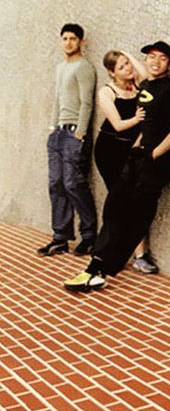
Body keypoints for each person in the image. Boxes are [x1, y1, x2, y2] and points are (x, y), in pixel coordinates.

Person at [63, 41, 170, 292]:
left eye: (162, 58)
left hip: (157, 162)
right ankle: (96, 266)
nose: (155, 62)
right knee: (114, 207)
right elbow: (144, 88)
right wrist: (137, 148)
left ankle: (101, 270)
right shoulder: (145, 87)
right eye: (151, 57)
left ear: (169, 63)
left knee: (136, 216)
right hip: (136, 158)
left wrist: (153, 153)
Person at [94, 50, 159, 274]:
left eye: (128, 64)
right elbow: (118, 125)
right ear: (111, 73)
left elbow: (147, 76)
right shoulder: (107, 92)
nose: (128, 68)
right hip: (109, 151)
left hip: (131, 151)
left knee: (133, 202)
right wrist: (137, 119)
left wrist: (127, 54)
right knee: (119, 202)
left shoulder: (137, 86)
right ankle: (115, 253)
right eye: (121, 67)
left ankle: (135, 254)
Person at [38, 23, 98, 257]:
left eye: (73, 38)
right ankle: (60, 237)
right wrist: (52, 127)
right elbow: (57, 99)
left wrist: (80, 133)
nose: (68, 42)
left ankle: (89, 235)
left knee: (73, 183)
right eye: (65, 38)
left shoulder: (84, 67)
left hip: (74, 133)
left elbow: (87, 103)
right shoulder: (61, 68)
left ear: (81, 41)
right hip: (58, 133)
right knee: (56, 184)